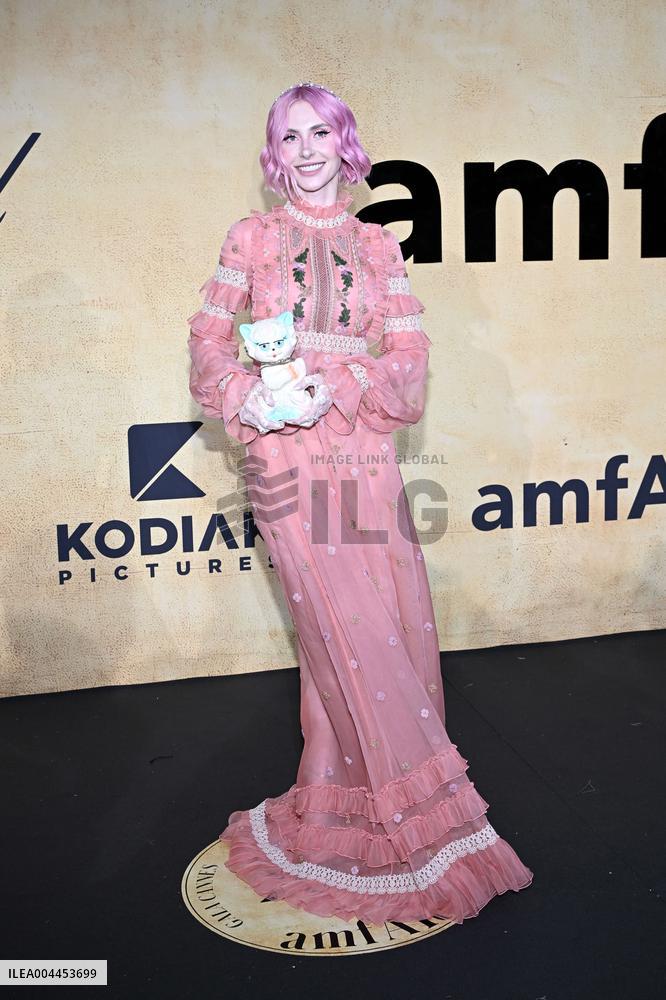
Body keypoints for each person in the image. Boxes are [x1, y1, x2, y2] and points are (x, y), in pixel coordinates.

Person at [186, 82, 533, 923]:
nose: (306, 150)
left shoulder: (379, 246)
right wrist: (252, 398)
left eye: (320, 133)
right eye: (289, 135)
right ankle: (420, 826)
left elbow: (408, 372)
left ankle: (356, 805)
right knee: (346, 633)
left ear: (344, 144)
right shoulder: (253, 237)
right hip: (283, 458)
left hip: (361, 449)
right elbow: (204, 343)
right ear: (275, 153)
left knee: (394, 622)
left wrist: (332, 383)